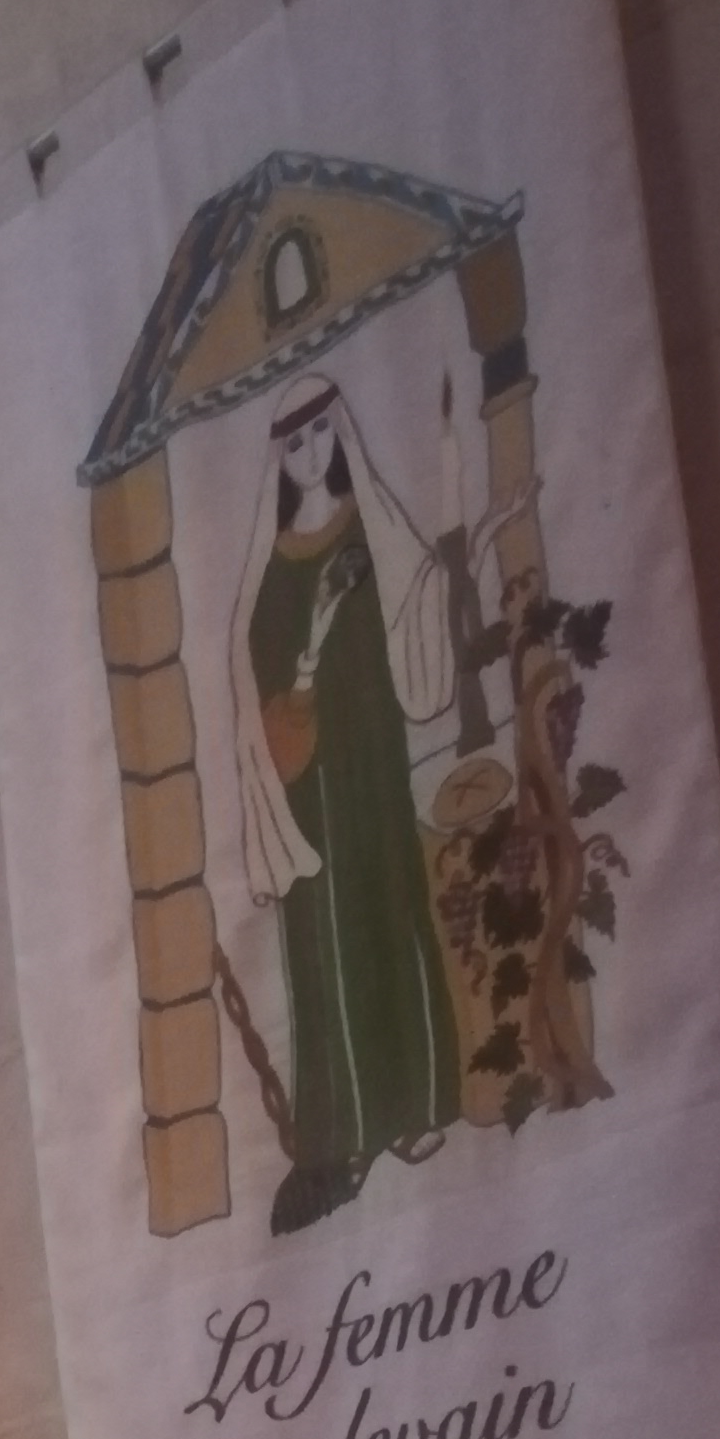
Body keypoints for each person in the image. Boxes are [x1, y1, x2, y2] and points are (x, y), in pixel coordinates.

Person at [232, 380, 463, 1231]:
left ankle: (418, 1105)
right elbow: (265, 689)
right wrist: (317, 632)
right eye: (294, 443)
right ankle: (350, 1134)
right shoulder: (271, 574)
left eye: (322, 434)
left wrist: (432, 578)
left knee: (394, 911)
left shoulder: (373, 527)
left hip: (376, 762)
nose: (310, 454)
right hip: (314, 789)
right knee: (329, 947)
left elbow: (416, 596)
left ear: (341, 436)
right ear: (278, 458)